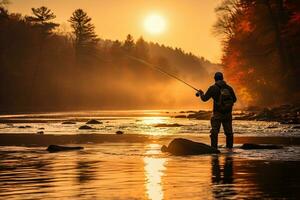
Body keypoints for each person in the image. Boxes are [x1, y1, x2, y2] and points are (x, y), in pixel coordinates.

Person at [196, 72, 236, 149]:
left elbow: (204, 99)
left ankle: (214, 150)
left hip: (217, 114)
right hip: (228, 114)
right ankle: (230, 150)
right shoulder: (229, 88)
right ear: (222, 78)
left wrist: (201, 93)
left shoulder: (213, 88)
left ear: (215, 79)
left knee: (214, 132)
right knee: (229, 133)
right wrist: (226, 105)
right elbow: (234, 99)